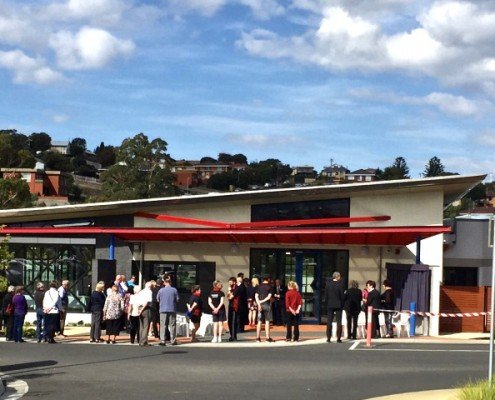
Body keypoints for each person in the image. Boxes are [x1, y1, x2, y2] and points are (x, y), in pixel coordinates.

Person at [157, 276, 179, 346]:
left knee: (163, 325)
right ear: (170, 282)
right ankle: (173, 340)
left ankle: (162, 341)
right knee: (172, 325)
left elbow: (157, 299)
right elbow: (177, 299)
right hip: (172, 309)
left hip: (163, 309)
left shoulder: (161, 290)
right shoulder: (174, 290)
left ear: (164, 283)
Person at [324, 271, 345, 343]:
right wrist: (342, 304)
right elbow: (342, 296)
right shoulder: (340, 285)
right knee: (339, 322)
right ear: (338, 277)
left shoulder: (328, 284)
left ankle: (328, 338)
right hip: (338, 304)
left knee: (329, 321)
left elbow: (326, 295)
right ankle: (338, 338)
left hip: (330, 304)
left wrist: (326, 303)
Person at [255, 276, 273, 342]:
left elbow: (256, 296)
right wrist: (262, 301)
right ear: (268, 279)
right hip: (267, 305)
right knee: (267, 321)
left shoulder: (258, 286)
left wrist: (259, 304)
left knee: (259, 321)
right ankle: (267, 337)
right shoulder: (270, 286)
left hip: (260, 306)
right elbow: (269, 297)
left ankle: (258, 337)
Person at [138, 281, 153, 346]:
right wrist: (142, 309)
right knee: (146, 325)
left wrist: (139, 310)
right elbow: (147, 302)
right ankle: (144, 341)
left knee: (141, 325)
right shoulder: (149, 291)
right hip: (146, 308)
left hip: (139, 307)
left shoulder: (141, 291)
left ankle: (141, 340)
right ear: (150, 286)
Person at [227, 277, 239, 342]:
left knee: (234, 321)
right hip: (230, 306)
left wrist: (229, 291)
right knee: (229, 321)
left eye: (230, 282)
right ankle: (231, 335)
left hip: (235, 306)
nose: (229, 283)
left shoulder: (236, 288)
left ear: (234, 282)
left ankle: (234, 336)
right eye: (229, 282)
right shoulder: (231, 288)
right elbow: (228, 297)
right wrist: (229, 291)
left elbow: (231, 297)